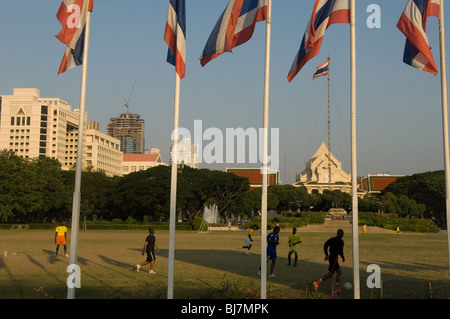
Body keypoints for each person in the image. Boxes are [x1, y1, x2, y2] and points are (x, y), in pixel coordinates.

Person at [313, 229, 345, 293]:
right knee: (330, 274)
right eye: (341, 234)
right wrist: (343, 257)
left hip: (332, 257)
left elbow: (325, 245)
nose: (342, 235)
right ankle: (317, 283)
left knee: (339, 272)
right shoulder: (340, 241)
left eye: (342, 234)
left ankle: (337, 288)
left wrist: (327, 254)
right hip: (334, 258)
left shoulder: (332, 239)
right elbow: (340, 251)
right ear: (339, 233)